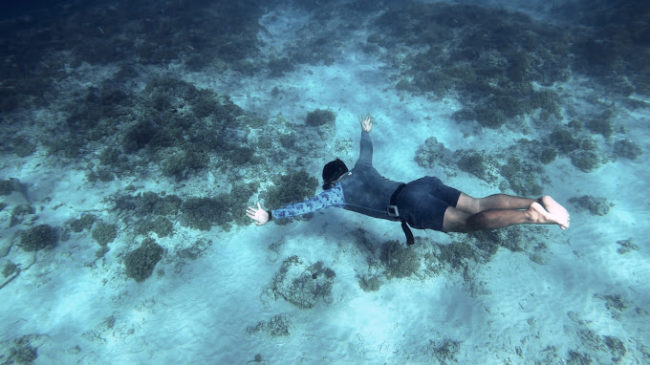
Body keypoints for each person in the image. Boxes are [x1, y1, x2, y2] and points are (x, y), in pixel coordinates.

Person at [246, 116, 569, 245]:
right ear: (344, 168)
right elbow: (366, 148)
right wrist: (365, 131)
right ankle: (533, 200)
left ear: (330, 183)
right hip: (421, 184)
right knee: (478, 203)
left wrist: (271, 215)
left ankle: (531, 216)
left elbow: (306, 205)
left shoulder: (335, 194)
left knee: (470, 223)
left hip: (408, 204)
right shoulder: (362, 168)